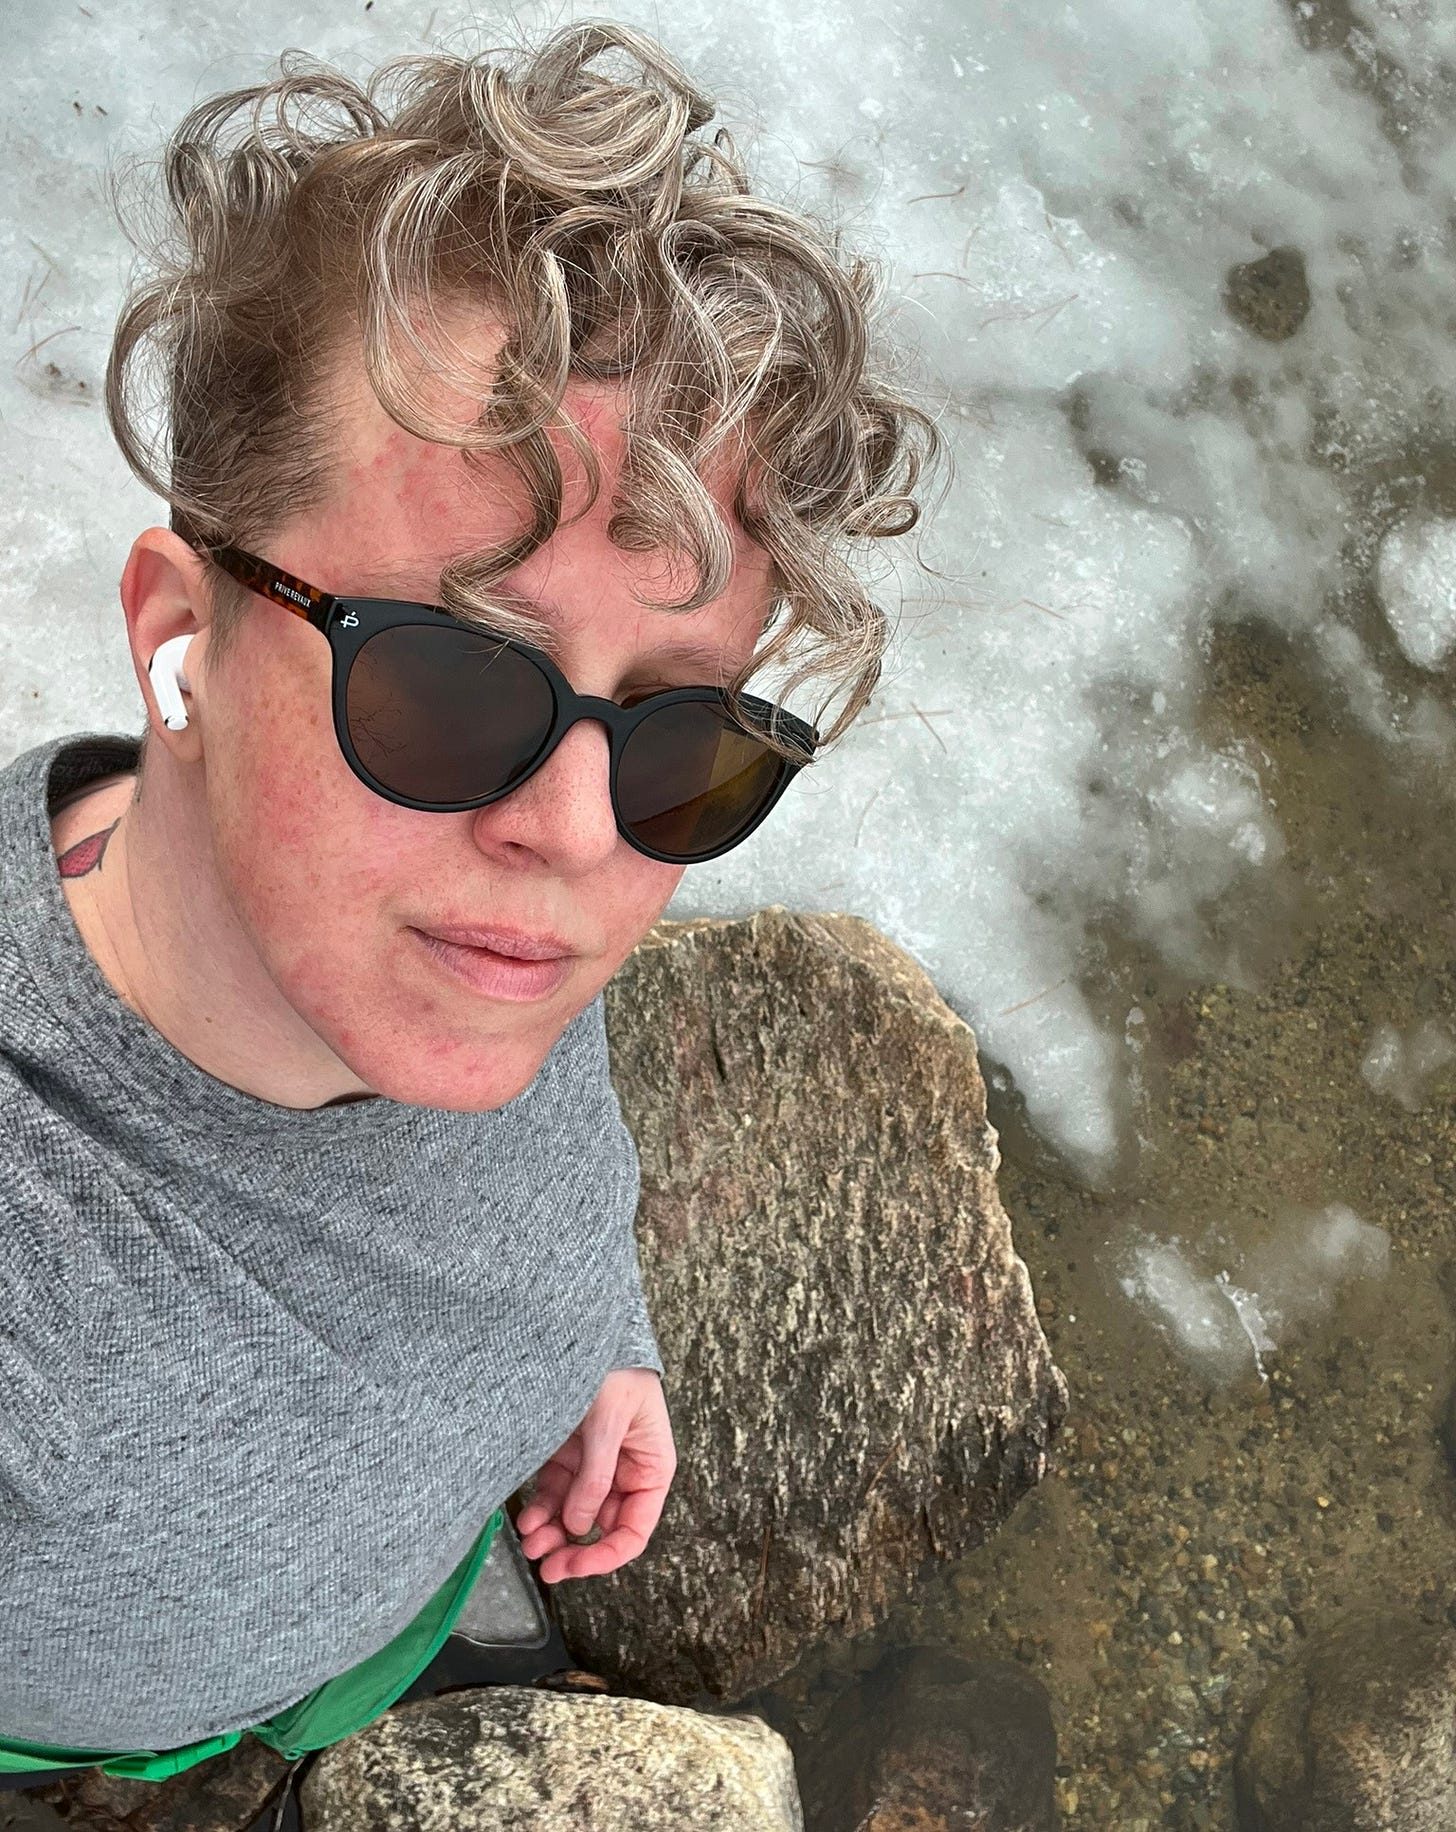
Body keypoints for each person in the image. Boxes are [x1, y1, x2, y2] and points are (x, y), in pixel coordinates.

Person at [0, 15, 941, 1809]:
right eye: (446, 683)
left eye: (686, 743)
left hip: (392, 1611)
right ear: (173, 631)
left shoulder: (443, 910)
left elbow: (541, 1146)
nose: (580, 836)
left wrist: (589, 1338)